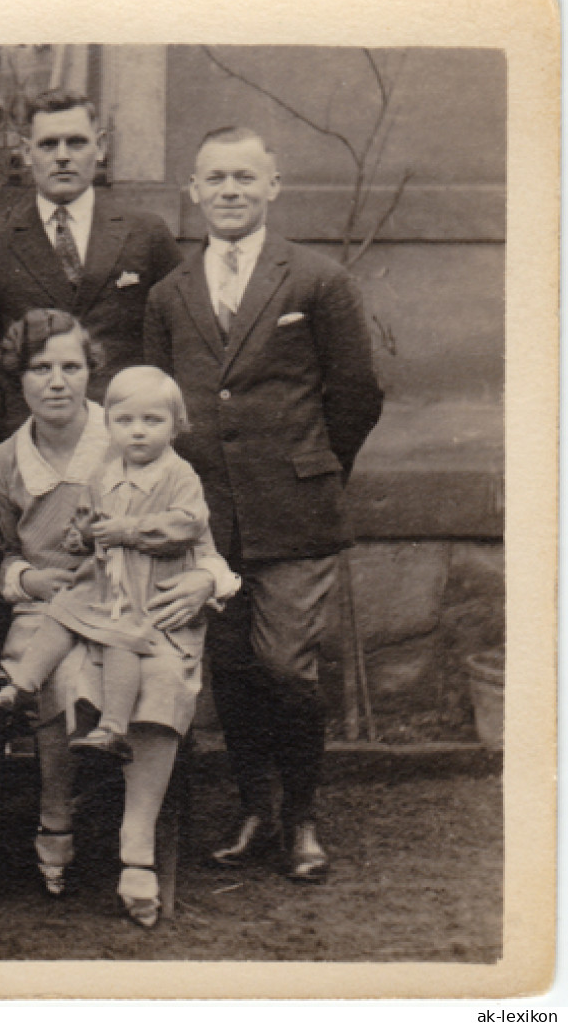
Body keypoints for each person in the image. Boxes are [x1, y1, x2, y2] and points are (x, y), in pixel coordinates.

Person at [145, 127, 383, 882]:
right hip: (208, 518)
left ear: (272, 187)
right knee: (231, 666)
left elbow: (355, 394)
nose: (230, 191)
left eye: (245, 177)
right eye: (214, 178)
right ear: (193, 190)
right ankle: (254, 809)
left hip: (293, 513)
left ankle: (302, 818)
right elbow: (159, 403)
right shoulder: (168, 293)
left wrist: (312, 467)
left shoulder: (316, 279)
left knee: (284, 665)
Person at [0, 310, 232, 927]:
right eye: (39, 368)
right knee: (60, 674)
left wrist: (207, 581)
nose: (56, 381)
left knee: (163, 677)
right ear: (19, 379)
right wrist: (24, 578)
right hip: (55, 606)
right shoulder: (5, 461)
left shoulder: (135, 430)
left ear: (91, 373)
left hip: (147, 602)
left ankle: (137, 843)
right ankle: (55, 813)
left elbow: (202, 540)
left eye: (70, 366)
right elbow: (0, 549)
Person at [0, 365, 236, 765]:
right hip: (104, 582)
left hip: (146, 587)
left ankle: (113, 728)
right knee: (61, 614)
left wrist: (129, 530)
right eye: (124, 421)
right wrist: (81, 535)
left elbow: (188, 524)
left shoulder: (177, 474)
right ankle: (21, 686)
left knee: (120, 638)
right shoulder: (104, 472)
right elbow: (88, 517)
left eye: (152, 421)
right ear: (110, 426)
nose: (137, 431)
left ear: (175, 427)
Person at [0, 90, 182, 438]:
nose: (63, 157)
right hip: (34, 440)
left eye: (76, 143)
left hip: (128, 437)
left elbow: (178, 343)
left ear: (101, 147)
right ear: (25, 152)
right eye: (48, 145)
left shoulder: (146, 233)